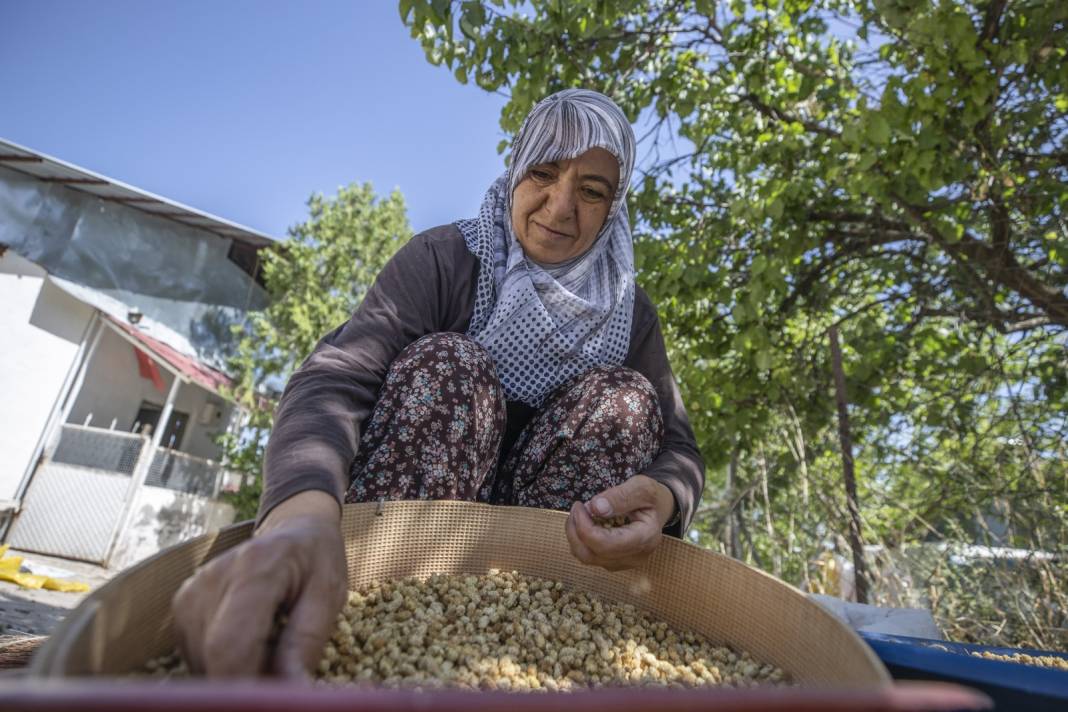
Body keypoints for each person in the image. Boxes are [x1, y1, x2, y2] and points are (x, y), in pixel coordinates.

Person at [173, 89, 705, 678]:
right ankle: (376, 621)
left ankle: (535, 653)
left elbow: (678, 452)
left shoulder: (630, 314)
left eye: (591, 191)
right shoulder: (444, 260)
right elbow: (335, 380)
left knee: (628, 402)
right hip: (413, 550)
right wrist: (299, 519)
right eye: (544, 173)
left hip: (553, 585)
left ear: (614, 207)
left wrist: (663, 497)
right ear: (514, 173)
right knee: (452, 366)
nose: (559, 208)